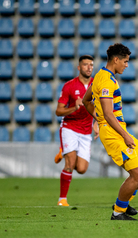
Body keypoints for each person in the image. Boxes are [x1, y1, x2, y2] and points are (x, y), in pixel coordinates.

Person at [83, 43, 138, 220]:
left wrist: (97, 118)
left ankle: (125, 200)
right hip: (114, 133)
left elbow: (86, 101)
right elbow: (108, 113)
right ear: (116, 60)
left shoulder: (100, 76)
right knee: (137, 173)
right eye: (125, 61)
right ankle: (118, 212)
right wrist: (122, 133)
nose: (126, 65)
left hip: (117, 129)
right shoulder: (107, 81)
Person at [55, 55, 99, 206]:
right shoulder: (69, 86)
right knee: (70, 163)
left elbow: (100, 106)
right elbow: (58, 111)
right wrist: (75, 107)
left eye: (91, 65)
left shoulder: (97, 84)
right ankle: (62, 199)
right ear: (79, 68)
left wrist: (96, 122)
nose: (89, 67)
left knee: (81, 169)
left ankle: (65, 151)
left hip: (86, 131)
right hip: (70, 128)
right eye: (85, 65)